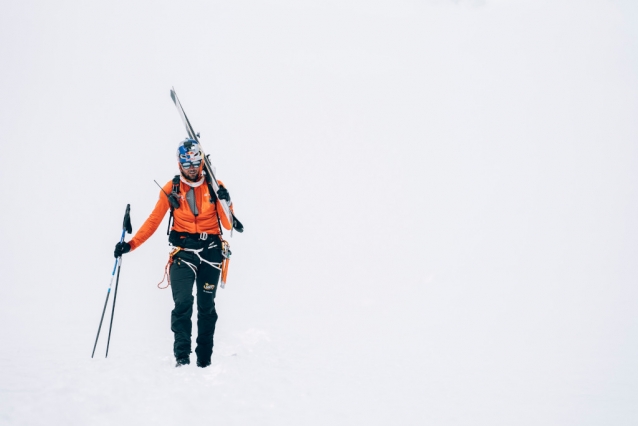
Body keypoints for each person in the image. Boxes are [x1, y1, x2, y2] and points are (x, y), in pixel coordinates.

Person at [114, 138, 235, 368]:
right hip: (183, 253)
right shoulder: (172, 189)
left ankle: (204, 360)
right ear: (179, 164)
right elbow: (153, 221)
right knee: (183, 303)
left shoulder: (215, 185)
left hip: (211, 254)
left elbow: (228, 225)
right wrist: (130, 245)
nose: (191, 167)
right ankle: (182, 358)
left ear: (201, 162)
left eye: (195, 162)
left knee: (206, 307)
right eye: (186, 163)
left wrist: (227, 201)